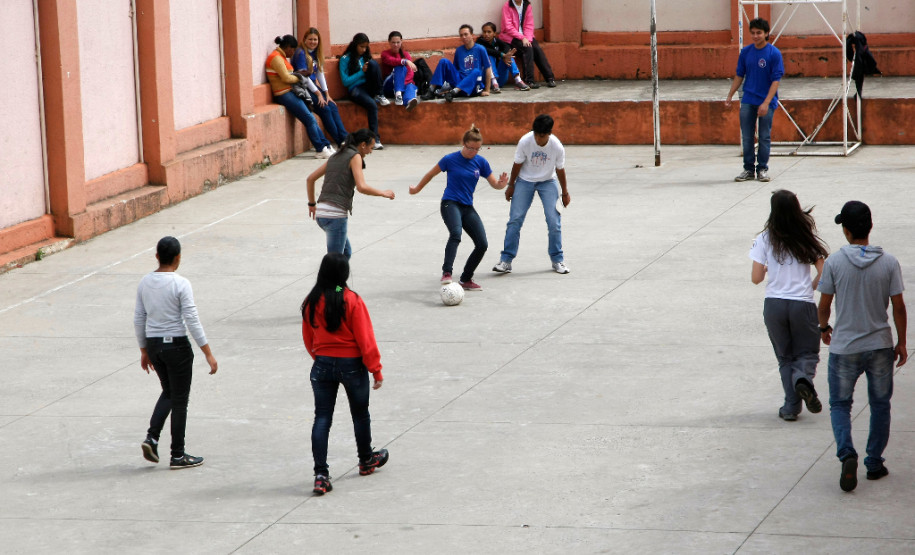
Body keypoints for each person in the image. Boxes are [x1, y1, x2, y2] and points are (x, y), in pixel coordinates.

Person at [817, 200, 907, 492]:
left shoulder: (834, 262)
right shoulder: (889, 262)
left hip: (845, 347)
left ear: (845, 230)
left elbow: (824, 305)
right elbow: (899, 307)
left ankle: (847, 454)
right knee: (880, 405)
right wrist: (901, 342)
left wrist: (824, 328)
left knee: (840, 404)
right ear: (870, 227)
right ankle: (874, 463)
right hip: (880, 345)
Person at [302, 252, 389, 495]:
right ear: (344, 274)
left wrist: (322, 358)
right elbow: (365, 339)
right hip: (351, 364)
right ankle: (366, 460)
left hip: (321, 365)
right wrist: (376, 370)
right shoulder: (351, 300)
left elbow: (308, 338)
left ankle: (321, 475)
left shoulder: (311, 300)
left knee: (322, 418)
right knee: (360, 414)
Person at [134, 236, 218, 469]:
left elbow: (139, 318)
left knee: (169, 392)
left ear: (157, 257)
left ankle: (152, 437)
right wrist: (207, 353)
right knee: (179, 400)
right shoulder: (180, 283)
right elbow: (191, 319)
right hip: (177, 347)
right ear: (178, 258)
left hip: (154, 345)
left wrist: (144, 349)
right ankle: (178, 454)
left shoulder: (144, 282)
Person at [748, 190, 829, 422]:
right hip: (801, 304)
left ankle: (791, 407)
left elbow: (755, 278)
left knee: (785, 358)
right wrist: (810, 285)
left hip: (774, 304)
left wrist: (765, 269)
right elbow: (824, 275)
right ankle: (802, 378)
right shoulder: (806, 236)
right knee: (807, 353)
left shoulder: (764, 238)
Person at [410, 124, 509, 291]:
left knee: (482, 244)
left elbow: (494, 183)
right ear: (463, 144)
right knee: (456, 233)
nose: (473, 152)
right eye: (471, 148)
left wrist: (501, 185)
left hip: (467, 207)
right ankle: (447, 273)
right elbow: (430, 174)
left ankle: (466, 279)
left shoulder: (480, 162)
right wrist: (417, 189)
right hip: (450, 203)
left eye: (477, 149)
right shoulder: (450, 159)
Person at [493, 114, 570, 275]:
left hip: (548, 181)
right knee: (515, 219)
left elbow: (560, 170)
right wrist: (511, 185)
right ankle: (506, 260)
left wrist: (565, 192)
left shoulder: (557, 147)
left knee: (553, 221)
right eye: (536, 134)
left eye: (542, 136)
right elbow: (517, 164)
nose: (538, 139)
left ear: (549, 133)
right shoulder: (525, 141)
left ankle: (557, 259)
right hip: (524, 181)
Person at [306, 129, 395, 260]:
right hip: (335, 216)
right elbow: (362, 187)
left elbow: (310, 179)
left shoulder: (337, 154)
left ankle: (339, 280)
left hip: (321, 215)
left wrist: (312, 204)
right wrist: (383, 193)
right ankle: (334, 281)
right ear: (363, 145)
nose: (371, 152)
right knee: (335, 261)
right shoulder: (355, 156)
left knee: (346, 253)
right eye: (370, 148)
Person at [725, 18, 783, 183]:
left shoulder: (774, 53)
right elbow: (739, 75)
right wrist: (730, 95)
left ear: (766, 34)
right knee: (747, 136)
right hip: (748, 100)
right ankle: (748, 169)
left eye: (759, 33)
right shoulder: (746, 52)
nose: (756, 36)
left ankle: (762, 168)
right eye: (753, 33)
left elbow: (776, 80)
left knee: (764, 136)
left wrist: (766, 103)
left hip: (766, 102)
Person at [267, 35, 335, 158]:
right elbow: (286, 78)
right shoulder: (276, 58)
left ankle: (325, 146)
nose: (293, 53)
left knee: (311, 118)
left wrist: (297, 76)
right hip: (283, 93)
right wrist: (300, 77)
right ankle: (320, 148)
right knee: (309, 119)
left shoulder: (281, 57)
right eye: (292, 50)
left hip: (290, 92)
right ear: (288, 47)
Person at [292, 28, 348, 147]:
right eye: (310, 39)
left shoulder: (316, 53)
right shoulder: (301, 53)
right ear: (304, 40)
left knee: (332, 105)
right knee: (325, 109)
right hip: (303, 86)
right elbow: (305, 78)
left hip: (313, 86)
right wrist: (318, 94)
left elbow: (320, 73)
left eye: (315, 39)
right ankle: (340, 141)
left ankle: (345, 137)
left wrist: (326, 94)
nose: (313, 42)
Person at [339, 33, 388, 150]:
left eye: (366, 47)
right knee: (372, 105)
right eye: (361, 47)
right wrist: (361, 72)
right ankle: (374, 140)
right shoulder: (345, 59)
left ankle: (380, 94)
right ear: (355, 45)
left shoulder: (365, 56)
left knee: (373, 64)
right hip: (355, 89)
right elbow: (345, 81)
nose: (364, 49)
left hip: (368, 87)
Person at [423, 25, 494, 102]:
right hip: (460, 81)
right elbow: (455, 69)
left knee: (476, 71)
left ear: (472, 35)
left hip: (473, 84)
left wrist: (487, 90)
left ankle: (453, 92)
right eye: (461, 35)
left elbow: (488, 68)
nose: (463, 37)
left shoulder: (480, 49)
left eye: (466, 34)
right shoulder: (459, 50)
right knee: (443, 61)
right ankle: (431, 91)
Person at [499, 0, 556, 89]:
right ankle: (529, 80)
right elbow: (508, 27)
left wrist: (528, 39)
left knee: (536, 48)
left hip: (525, 36)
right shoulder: (508, 6)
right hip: (510, 37)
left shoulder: (527, 5)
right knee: (527, 48)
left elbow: (529, 25)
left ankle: (549, 77)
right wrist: (522, 38)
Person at [478, 22, 530, 92]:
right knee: (489, 55)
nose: (486, 34)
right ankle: (494, 83)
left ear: (494, 33)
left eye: (489, 32)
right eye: (484, 32)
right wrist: (502, 55)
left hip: (500, 79)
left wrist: (505, 56)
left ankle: (518, 80)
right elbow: (487, 50)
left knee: (509, 56)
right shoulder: (479, 42)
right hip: (487, 80)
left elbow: (506, 46)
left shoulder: (496, 41)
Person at [380, 31, 419, 111]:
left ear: (401, 41)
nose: (396, 45)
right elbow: (392, 61)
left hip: (404, 84)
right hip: (390, 86)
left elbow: (410, 73)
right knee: (399, 67)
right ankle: (398, 94)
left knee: (411, 85)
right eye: (393, 42)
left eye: (398, 42)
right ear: (389, 42)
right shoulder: (385, 54)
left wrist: (404, 83)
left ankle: (409, 101)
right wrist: (405, 61)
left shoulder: (406, 54)